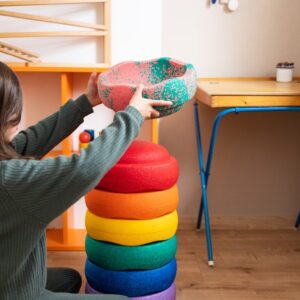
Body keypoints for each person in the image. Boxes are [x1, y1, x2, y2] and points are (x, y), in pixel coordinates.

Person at [0, 61, 172, 300]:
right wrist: (131, 117)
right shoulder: (9, 181)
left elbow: (26, 142)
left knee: (69, 279)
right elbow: (83, 169)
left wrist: (85, 103)